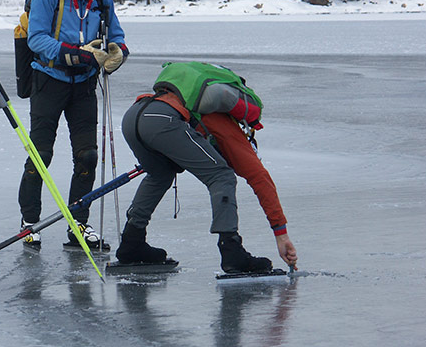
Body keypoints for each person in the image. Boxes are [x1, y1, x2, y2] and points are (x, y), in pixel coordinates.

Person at [117, 61, 298, 273]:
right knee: (222, 176)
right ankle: (232, 251)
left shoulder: (191, 102)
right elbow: (259, 177)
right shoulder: (219, 120)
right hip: (162, 120)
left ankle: (132, 242)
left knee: (159, 175)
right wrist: (281, 234)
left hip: (134, 116)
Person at [18, 0, 129, 250]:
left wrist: (117, 52)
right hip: (49, 81)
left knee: (88, 156)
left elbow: (116, 35)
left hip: (84, 85)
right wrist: (77, 54)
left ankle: (78, 224)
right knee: (41, 155)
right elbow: (37, 40)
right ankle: (29, 221)